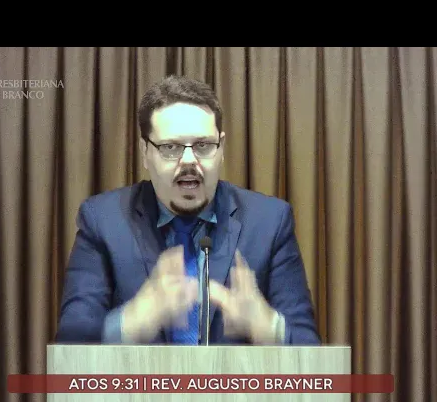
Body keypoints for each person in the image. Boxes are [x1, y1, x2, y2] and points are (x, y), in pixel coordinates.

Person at [55, 75, 321, 345]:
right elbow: (70, 342)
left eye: (203, 146)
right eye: (170, 147)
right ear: (145, 151)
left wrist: (269, 327)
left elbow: (309, 346)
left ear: (221, 148)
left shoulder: (269, 222)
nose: (189, 160)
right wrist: (132, 321)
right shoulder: (103, 221)